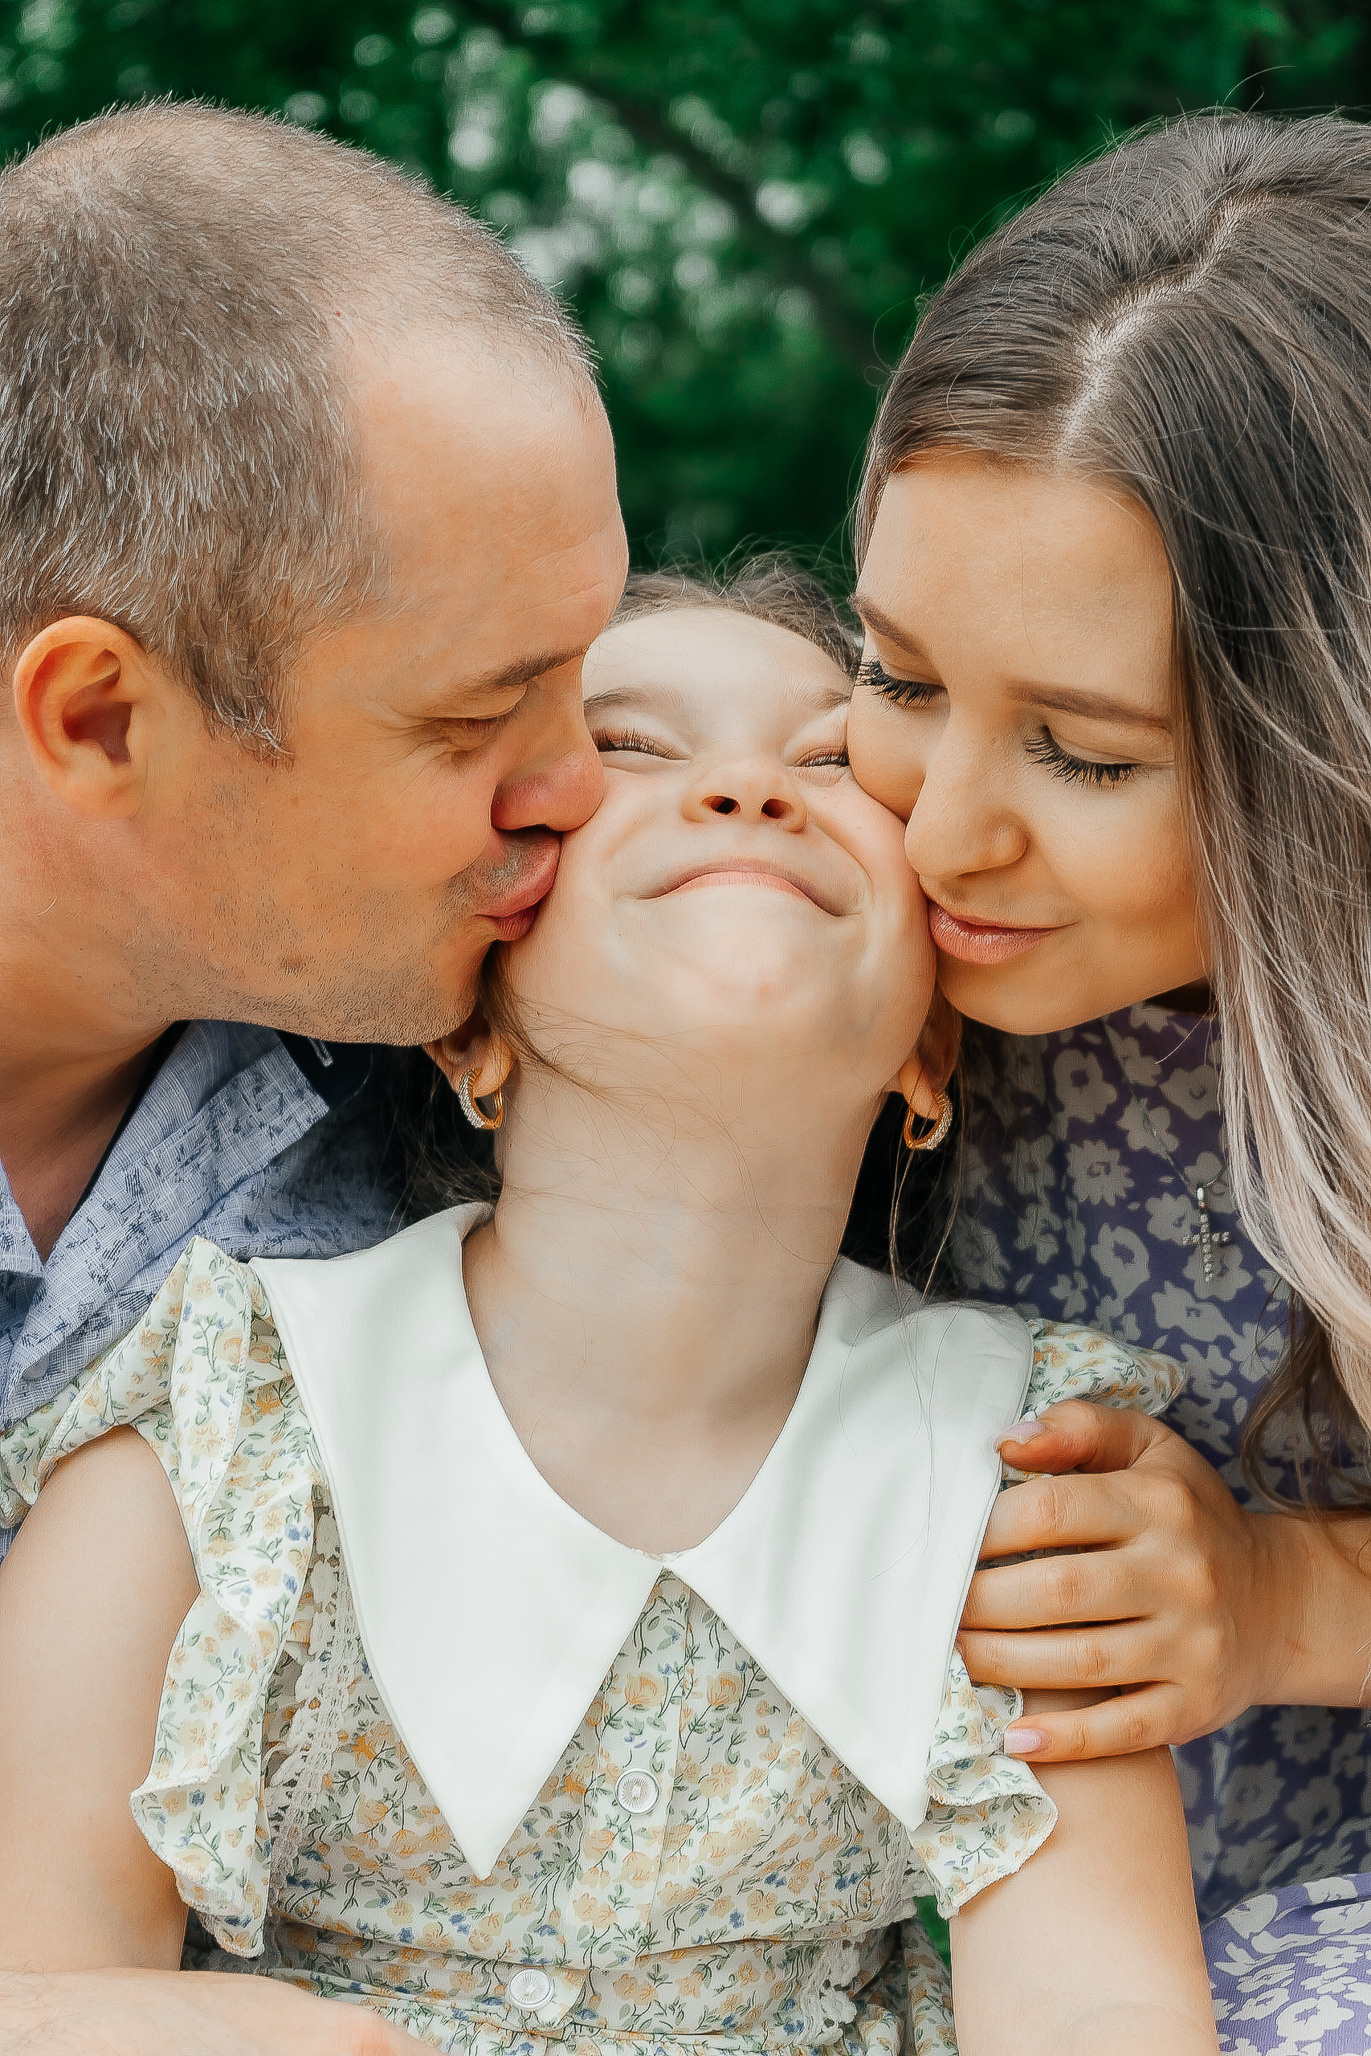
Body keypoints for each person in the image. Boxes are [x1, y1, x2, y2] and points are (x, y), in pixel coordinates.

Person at [0, 571, 1218, 2056]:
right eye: (632, 748)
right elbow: (36, 1987)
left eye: (830, 763)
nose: (746, 791)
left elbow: (1101, 2006)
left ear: (930, 1049)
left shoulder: (1016, 1476)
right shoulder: (225, 1426)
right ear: (469, 1017)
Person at [0, 98, 625, 2056]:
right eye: (470, 717)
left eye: (579, 676)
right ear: (98, 715)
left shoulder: (501, 1074)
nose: (578, 786)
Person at [846, 109, 1371, 2049]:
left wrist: (1279, 1598)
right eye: (896, 675)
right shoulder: (844, 896)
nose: (942, 829)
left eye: (1076, 751)